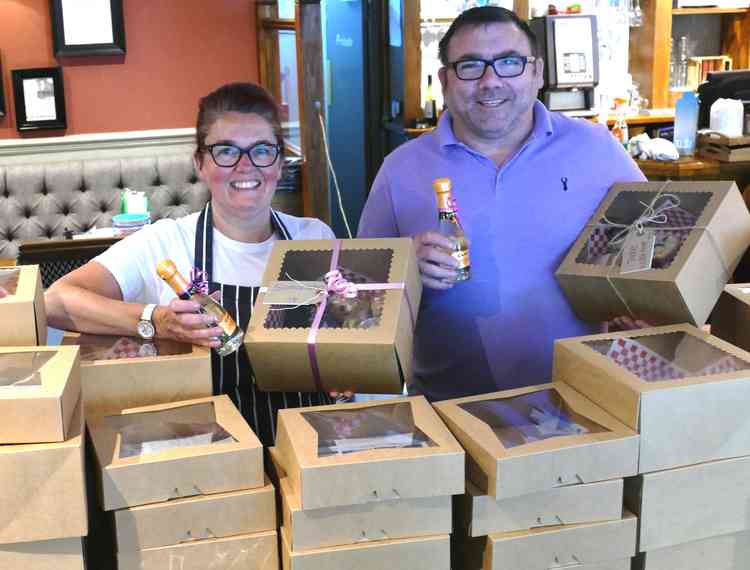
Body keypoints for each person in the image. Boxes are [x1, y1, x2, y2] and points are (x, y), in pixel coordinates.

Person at [357, 7, 646, 401]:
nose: (491, 81)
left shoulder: (596, 149)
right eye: (470, 66)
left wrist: (640, 307)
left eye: (509, 62)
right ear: (444, 80)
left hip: (583, 407)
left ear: (538, 73)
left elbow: (655, 250)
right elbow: (358, 299)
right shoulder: (400, 169)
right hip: (448, 413)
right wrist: (406, 271)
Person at [46, 82, 334, 445]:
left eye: (262, 150)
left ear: (279, 161)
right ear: (200, 163)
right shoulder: (165, 242)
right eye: (226, 151)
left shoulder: (314, 238)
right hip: (209, 462)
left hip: (312, 453)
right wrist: (159, 321)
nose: (246, 166)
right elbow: (57, 301)